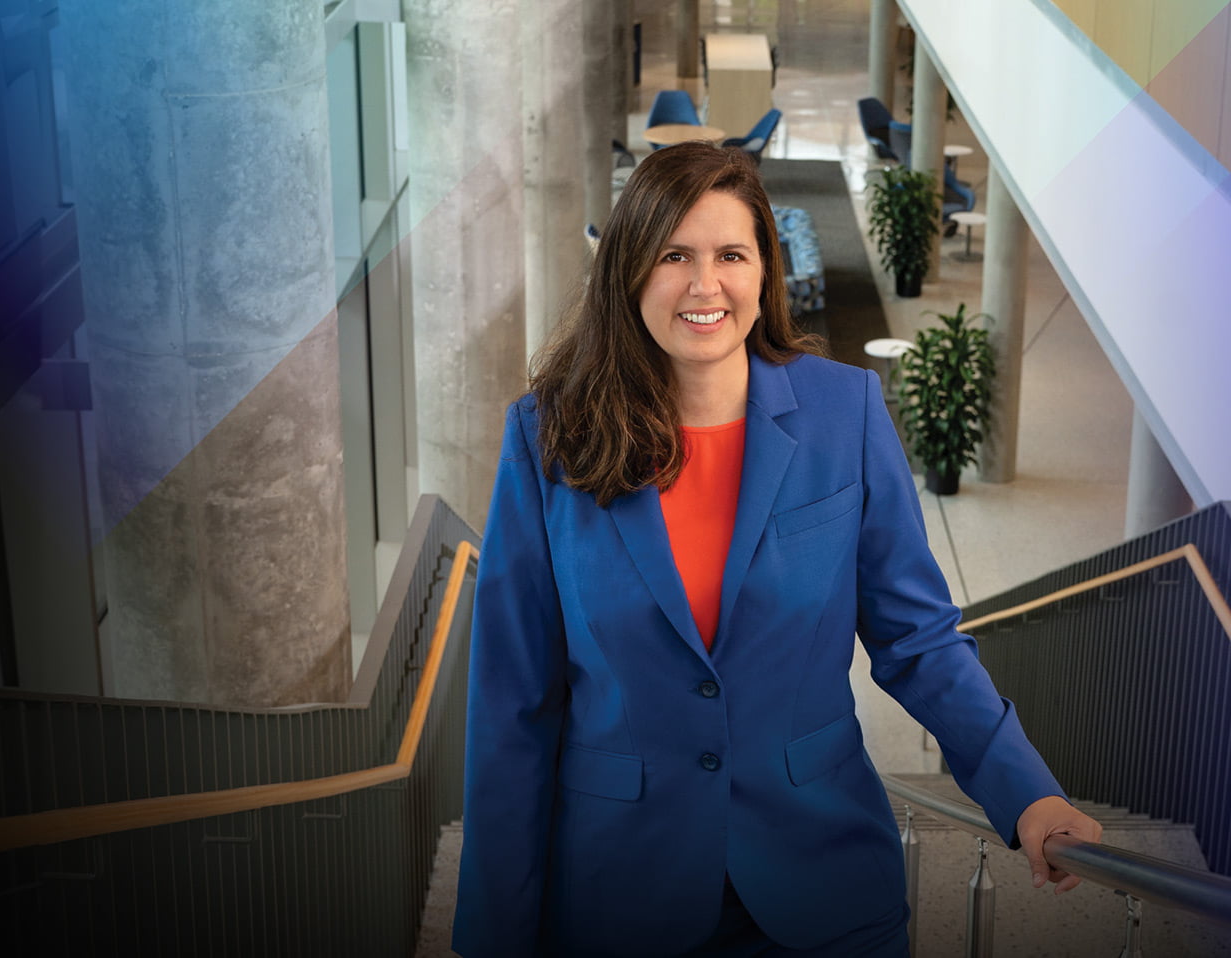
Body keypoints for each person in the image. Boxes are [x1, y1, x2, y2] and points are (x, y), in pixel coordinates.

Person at [452, 141, 1101, 957]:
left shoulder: (846, 414)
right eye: (672, 256)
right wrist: (491, 935)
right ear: (629, 275)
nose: (704, 284)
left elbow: (918, 641)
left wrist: (1025, 793)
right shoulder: (549, 438)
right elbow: (513, 702)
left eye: (731, 254)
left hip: (823, 883)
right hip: (621, 893)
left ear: (765, 272)